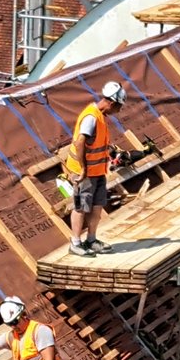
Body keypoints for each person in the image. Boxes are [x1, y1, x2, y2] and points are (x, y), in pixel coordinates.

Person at [64, 81, 125, 257]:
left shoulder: (100, 116)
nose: (119, 111)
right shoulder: (91, 117)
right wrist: (83, 169)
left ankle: (91, 239)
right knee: (81, 206)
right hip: (85, 172)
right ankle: (75, 243)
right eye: (119, 107)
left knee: (97, 205)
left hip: (97, 171)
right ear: (112, 103)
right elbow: (80, 141)